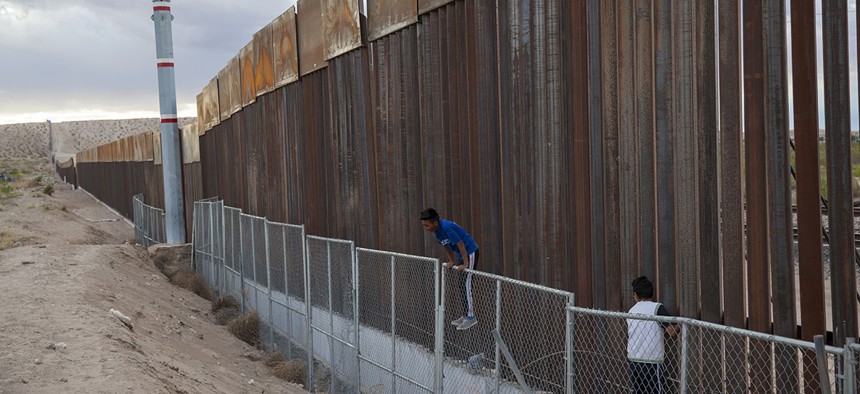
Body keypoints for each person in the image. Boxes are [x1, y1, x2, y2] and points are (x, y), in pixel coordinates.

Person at [419, 208, 479, 330]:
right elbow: (446, 246)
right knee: (461, 285)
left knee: (467, 284)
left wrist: (466, 263)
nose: (425, 228)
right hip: (461, 255)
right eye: (423, 225)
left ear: (435, 223)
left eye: (427, 225)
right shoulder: (437, 231)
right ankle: (466, 315)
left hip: (470, 252)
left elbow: (461, 244)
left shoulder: (447, 228)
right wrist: (452, 261)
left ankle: (471, 317)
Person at [627, 276, 678, 394]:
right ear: (652, 293)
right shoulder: (657, 308)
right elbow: (672, 332)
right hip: (652, 362)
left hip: (634, 359)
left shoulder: (631, 311)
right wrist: (680, 325)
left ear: (635, 295)